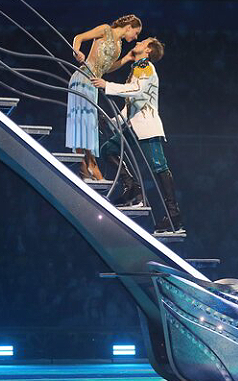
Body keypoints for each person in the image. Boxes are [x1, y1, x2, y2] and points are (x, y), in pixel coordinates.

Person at [92, 38, 184, 233]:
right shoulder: (137, 68)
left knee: (159, 167)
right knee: (109, 149)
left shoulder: (145, 66)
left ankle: (173, 215)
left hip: (147, 127)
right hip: (134, 127)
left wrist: (107, 85)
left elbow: (137, 90)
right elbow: (131, 105)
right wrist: (112, 121)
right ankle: (132, 186)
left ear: (148, 50)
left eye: (144, 42)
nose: (139, 42)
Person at [66, 15, 142, 179]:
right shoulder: (105, 30)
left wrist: (126, 59)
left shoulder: (119, 45)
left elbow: (107, 68)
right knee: (83, 121)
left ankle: (89, 164)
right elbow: (79, 38)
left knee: (89, 122)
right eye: (136, 33)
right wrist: (77, 52)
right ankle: (87, 164)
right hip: (83, 77)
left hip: (94, 83)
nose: (135, 37)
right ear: (129, 27)